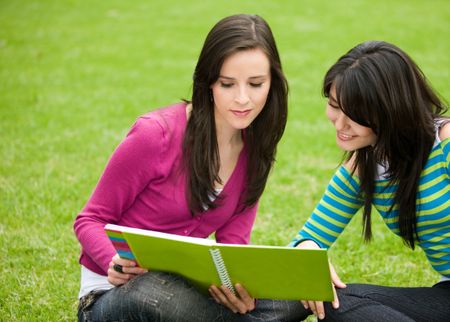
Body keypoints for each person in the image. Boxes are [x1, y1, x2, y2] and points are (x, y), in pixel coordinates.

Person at [74, 14, 308, 321]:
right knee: (161, 297)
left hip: (192, 295)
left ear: (272, 84)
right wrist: (113, 261)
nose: (242, 99)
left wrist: (235, 290)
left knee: (297, 298)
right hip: (118, 294)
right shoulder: (155, 134)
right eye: (227, 84)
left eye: (255, 84)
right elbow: (90, 219)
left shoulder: (256, 152)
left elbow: (233, 246)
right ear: (209, 81)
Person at [290, 40, 450, 321]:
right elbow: (310, 236)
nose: (340, 124)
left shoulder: (445, 144)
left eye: (356, 116)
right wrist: (308, 253)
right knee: (334, 303)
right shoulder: (362, 169)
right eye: (334, 106)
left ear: (392, 110)